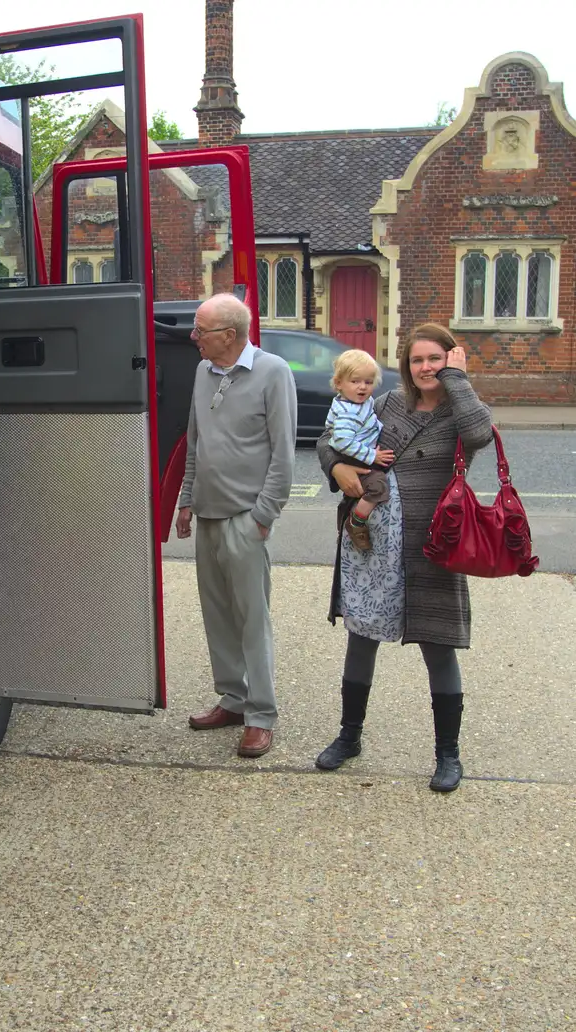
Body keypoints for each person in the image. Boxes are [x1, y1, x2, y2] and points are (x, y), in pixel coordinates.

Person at [314, 324, 493, 791]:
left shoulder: (461, 409)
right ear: (406, 365)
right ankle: (349, 736)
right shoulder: (387, 402)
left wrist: (458, 380)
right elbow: (329, 435)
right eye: (417, 360)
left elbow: (480, 435)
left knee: (439, 647)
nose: (426, 367)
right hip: (373, 542)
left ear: (451, 360)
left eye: (436, 358)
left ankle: (448, 756)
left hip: (432, 544)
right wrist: (337, 466)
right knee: (361, 639)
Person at [175, 293, 298, 758]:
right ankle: (232, 699)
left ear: (229, 335)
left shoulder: (272, 372)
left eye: (200, 331)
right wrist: (187, 499)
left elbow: (284, 454)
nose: (193, 339)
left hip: (246, 518)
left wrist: (263, 517)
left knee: (252, 620)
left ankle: (261, 714)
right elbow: (195, 440)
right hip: (207, 512)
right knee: (218, 616)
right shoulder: (204, 372)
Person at [325, 348, 397, 553]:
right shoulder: (348, 412)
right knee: (378, 486)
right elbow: (341, 442)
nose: (362, 387)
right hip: (354, 458)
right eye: (355, 381)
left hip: (361, 452)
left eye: (368, 382)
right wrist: (372, 455)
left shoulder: (360, 402)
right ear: (339, 383)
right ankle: (356, 521)